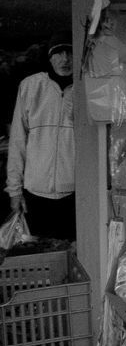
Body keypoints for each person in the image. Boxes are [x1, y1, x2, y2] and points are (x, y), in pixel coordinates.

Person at [5, 31, 76, 241]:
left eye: (70, 52)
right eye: (58, 53)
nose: (65, 59)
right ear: (50, 57)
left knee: (72, 252)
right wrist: (14, 190)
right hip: (35, 192)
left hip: (73, 192)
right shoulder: (31, 86)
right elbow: (17, 140)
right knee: (40, 253)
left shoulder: (85, 88)